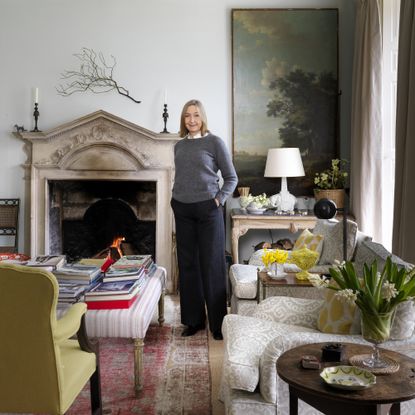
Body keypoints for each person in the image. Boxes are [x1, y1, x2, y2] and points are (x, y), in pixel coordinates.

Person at [171, 99, 238, 340]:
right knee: (188, 266)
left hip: (209, 210)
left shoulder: (214, 142)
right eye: (187, 115)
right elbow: (183, 176)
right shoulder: (178, 146)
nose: (191, 120)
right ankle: (193, 321)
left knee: (212, 265)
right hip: (183, 209)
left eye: (196, 115)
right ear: (183, 119)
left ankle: (218, 324)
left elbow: (231, 178)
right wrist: (174, 197)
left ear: (203, 118)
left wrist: (218, 200)